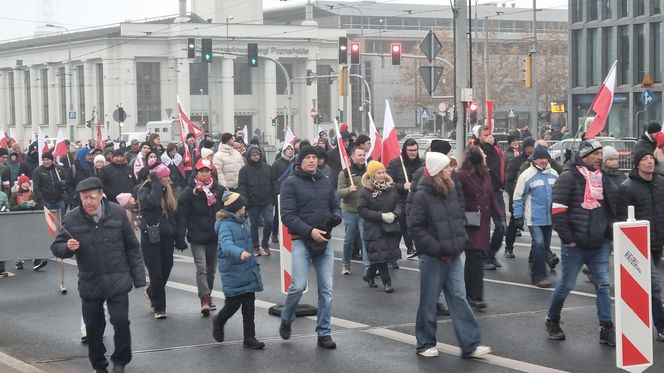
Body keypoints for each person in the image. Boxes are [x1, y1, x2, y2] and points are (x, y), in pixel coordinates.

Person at [51, 177, 146, 373]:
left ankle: (120, 362)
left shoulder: (117, 212)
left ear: (101, 195)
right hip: (90, 281)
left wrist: (140, 279)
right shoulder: (71, 218)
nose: (88, 202)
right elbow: (56, 247)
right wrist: (66, 248)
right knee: (93, 329)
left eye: (92, 197)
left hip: (117, 278)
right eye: (84, 198)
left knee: (121, 322)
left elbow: (132, 247)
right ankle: (99, 365)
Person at [409, 152, 491, 359]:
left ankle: (470, 344)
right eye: (447, 167)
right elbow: (416, 227)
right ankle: (425, 343)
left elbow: (458, 216)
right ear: (437, 170)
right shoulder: (422, 195)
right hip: (433, 256)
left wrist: (460, 240)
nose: (451, 169)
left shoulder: (452, 189)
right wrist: (436, 248)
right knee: (428, 301)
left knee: (459, 298)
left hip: (453, 254)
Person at [546, 139, 616, 346]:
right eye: (596, 154)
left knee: (603, 285)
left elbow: (613, 206)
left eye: (601, 154)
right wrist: (569, 239)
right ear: (585, 155)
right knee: (566, 285)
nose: (600, 157)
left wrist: (608, 233)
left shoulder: (601, 178)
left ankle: (606, 327)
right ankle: (552, 319)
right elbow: (558, 210)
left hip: (599, 243)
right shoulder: (568, 177)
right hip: (575, 245)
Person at [278, 146, 342, 349]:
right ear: (301, 160)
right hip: (301, 240)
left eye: (315, 157)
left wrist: (336, 217)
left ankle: (324, 332)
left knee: (326, 290)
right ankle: (287, 318)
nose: (313, 161)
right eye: (308, 157)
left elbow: (335, 206)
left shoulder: (325, 181)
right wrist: (309, 231)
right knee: (298, 285)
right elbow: (287, 215)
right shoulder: (290, 183)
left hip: (324, 241)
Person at [617, 149, 664, 342]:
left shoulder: (661, 182)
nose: (649, 162)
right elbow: (622, 219)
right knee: (653, 286)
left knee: (646, 286)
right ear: (637, 164)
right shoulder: (627, 187)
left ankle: (638, 320)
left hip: (657, 242)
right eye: (644, 159)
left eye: (651, 158)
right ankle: (661, 326)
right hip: (638, 245)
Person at [211, 191, 265, 349]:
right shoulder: (225, 225)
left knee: (249, 306)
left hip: (247, 268)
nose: (245, 208)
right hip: (233, 270)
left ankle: (249, 338)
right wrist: (239, 252)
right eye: (242, 206)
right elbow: (226, 246)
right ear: (237, 208)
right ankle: (219, 321)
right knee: (233, 304)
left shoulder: (242, 222)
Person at [457, 145, 504, 309]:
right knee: (474, 257)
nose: (485, 156)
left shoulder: (486, 174)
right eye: (483, 155)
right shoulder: (461, 175)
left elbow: (490, 196)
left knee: (477, 257)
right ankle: (473, 295)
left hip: (483, 221)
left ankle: (472, 294)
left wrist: (500, 215)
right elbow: (458, 198)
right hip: (469, 221)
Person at [177, 158, 225, 316]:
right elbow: (182, 215)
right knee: (202, 268)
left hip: (214, 235)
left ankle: (208, 294)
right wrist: (180, 235)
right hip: (197, 235)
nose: (204, 173)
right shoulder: (189, 192)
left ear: (211, 172)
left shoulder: (219, 189)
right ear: (196, 172)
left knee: (211, 270)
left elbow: (228, 207)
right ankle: (204, 298)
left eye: (207, 170)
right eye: (201, 171)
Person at [512, 145, 558, 288]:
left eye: (545, 158)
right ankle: (539, 276)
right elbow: (518, 197)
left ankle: (538, 269)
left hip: (549, 218)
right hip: (534, 218)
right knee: (538, 244)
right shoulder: (526, 175)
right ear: (534, 159)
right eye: (540, 158)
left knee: (544, 246)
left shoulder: (554, 174)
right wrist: (518, 216)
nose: (543, 161)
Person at [136, 163, 178, 320]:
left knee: (167, 268)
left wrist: (178, 236)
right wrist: (155, 184)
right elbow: (152, 203)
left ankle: (152, 291)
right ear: (157, 178)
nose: (168, 179)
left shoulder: (167, 191)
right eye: (165, 176)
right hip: (151, 239)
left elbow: (174, 213)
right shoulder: (144, 190)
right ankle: (160, 307)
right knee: (156, 273)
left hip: (166, 237)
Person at [357, 161, 401, 292]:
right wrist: (380, 216)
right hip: (373, 228)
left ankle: (369, 275)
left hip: (389, 226)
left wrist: (395, 214)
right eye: (378, 173)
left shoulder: (390, 188)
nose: (382, 175)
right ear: (372, 175)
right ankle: (387, 282)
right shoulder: (365, 191)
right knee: (381, 256)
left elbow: (398, 204)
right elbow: (362, 210)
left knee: (382, 255)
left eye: (383, 172)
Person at [473, 126, 506, 269]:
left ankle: (492, 252)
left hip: (496, 192)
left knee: (502, 225)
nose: (488, 137)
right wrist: (486, 146)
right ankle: (485, 257)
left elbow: (498, 167)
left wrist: (502, 182)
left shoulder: (495, 149)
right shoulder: (475, 149)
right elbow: (480, 166)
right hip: (482, 192)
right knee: (483, 227)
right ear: (479, 136)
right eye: (485, 135)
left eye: (489, 134)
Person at [387, 138, 423, 258]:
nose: (413, 152)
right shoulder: (395, 163)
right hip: (400, 202)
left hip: (417, 202)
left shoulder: (422, 163)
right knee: (398, 230)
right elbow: (389, 183)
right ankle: (393, 257)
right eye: (410, 150)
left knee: (414, 227)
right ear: (405, 151)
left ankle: (414, 248)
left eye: (415, 150)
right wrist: (402, 186)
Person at [238, 145, 275, 256]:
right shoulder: (244, 170)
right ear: (249, 156)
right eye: (253, 155)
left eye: (258, 154)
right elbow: (242, 186)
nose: (256, 157)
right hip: (253, 202)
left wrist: (273, 198)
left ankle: (265, 244)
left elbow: (273, 183)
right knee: (254, 225)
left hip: (267, 200)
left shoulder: (267, 167)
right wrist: (244, 200)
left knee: (269, 222)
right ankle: (255, 247)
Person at [337, 146, 368, 275]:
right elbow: (339, 192)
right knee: (349, 239)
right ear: (352, 157)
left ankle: (368, 267)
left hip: (365, 210)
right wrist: (349, 190)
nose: (362, 157)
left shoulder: (368, 172)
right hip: (350, 210)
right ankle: (346, 265)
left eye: (364, 155)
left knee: (365, 239)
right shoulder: (345, 173)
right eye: (359, 155)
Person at [503, 137, 535, 258]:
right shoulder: (515, 161)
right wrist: (516, 193)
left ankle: (534, 253)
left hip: (533, 198)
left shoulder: (537, 160)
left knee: (535, 226)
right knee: (514, 223)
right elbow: (509, 181)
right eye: (528, 147)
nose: (530, 150)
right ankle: (508, 248)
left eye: (532, 147)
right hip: (518, 198)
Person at [271, 144, 295, 243]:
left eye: (291, 149)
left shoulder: (294, 162)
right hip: (280, 193)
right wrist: (277, 191)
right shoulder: (277, 163)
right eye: (288, 149)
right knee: (277, 214)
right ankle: (274, 234)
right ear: (284, 151)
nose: (290, 151)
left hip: (292, 192)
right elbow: (273, 179)